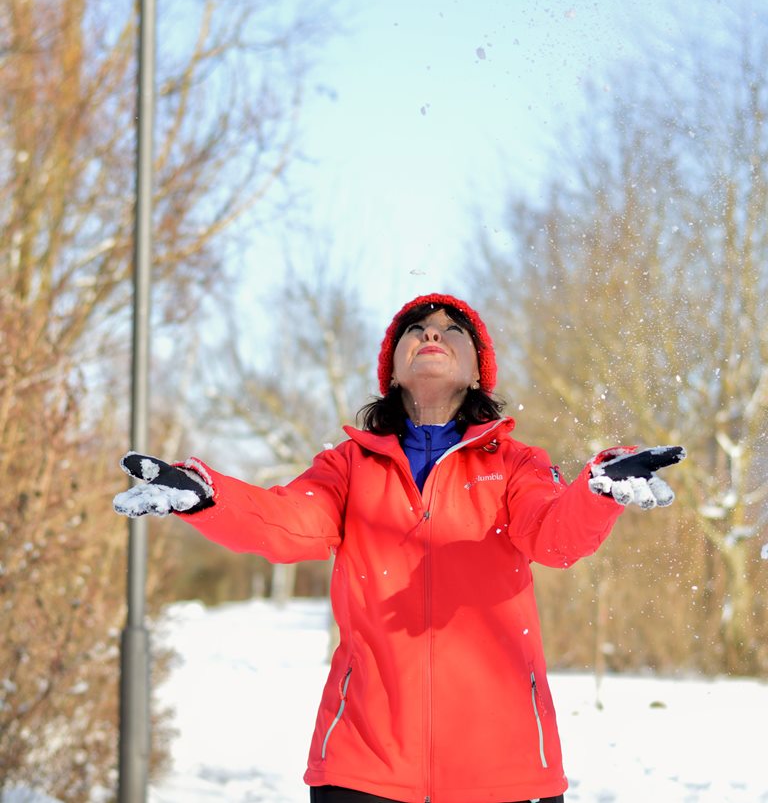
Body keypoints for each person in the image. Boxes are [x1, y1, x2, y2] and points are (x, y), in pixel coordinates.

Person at [114, 293, 685, 803]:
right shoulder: (347, 466)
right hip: (365, 765)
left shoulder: (517, 464)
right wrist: (209, 497)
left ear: (476, 373)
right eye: (416, 329)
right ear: (391, 369)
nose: (431, 334)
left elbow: (555, 535)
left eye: (450, 329)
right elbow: (287, 523)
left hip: (504, 768)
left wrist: (598, 491)